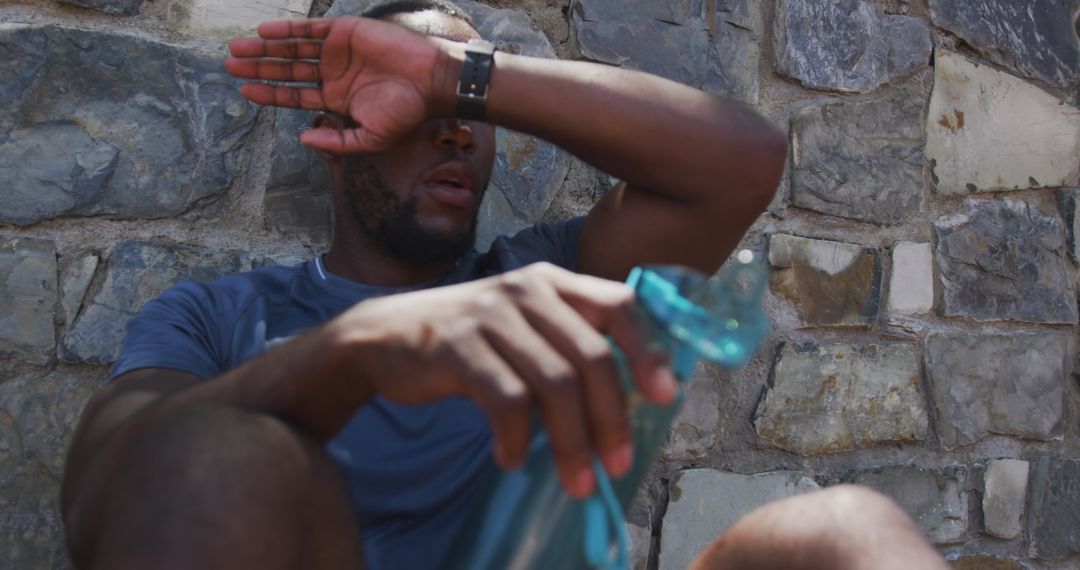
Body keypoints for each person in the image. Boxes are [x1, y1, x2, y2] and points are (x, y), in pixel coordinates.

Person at [59, 1, 948, 569]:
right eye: (416, 105)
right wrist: (355, 352)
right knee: (229, 451)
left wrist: (457, 77)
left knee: (846, 532)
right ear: (336, 129)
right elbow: (106, 490)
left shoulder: (551, 280)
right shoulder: (220, 317)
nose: (456, 134)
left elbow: (741, 162)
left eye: (470, 117)